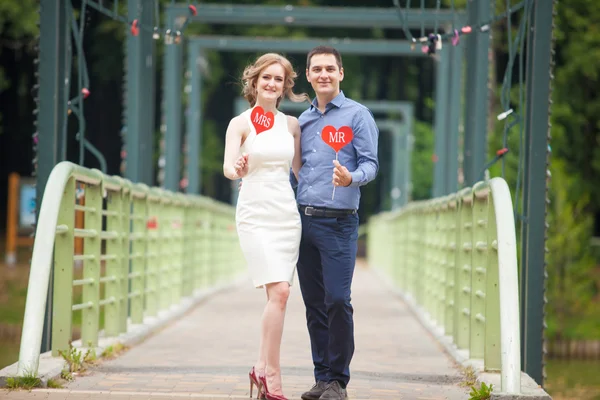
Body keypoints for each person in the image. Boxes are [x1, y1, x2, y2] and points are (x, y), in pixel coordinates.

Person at [223, 53, 309, 400]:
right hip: (255, 215)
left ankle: (261, 369)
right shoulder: (240, 123)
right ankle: (270, 374)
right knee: (281, 292)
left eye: (279, 79)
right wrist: (239, 168)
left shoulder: (291, 125)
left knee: (280, 295)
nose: (272, 84)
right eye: (266, 78)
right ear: (254, 82)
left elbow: (300, 173)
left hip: (286, 216)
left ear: (285, 85)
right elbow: (229, 168)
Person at [295, 46, 379, 400]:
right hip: (303, 223)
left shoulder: (358, 116)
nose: (324, 74)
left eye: (330, 68)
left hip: (339, 223)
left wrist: (351, 178)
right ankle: (321, 377)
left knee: (337, 300)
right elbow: (294, 171)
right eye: (317, 69)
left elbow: (371, 164)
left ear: (340, 73)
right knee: (314, 303)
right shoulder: (302, 121)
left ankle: (338, 381)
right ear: (309, 75)